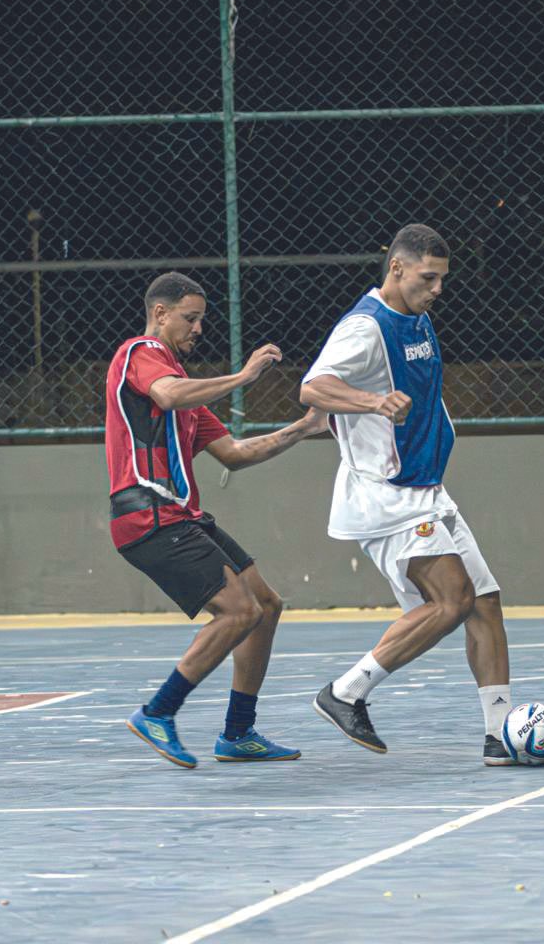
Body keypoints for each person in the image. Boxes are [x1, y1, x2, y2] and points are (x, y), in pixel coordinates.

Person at [299, 223, 544, 767]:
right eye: (429, 277)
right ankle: (346, 693)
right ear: (397, 268)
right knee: (451, 601)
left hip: (426, 490)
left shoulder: (418, 318)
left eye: (443, 278)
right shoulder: (366, 326)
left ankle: (500, 737)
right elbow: (312, 386)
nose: (438, 288)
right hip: (387, 494)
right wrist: (371, 403)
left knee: (485, 603)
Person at [111, 272, 326, 768]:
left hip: (182, 516)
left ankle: (237, 733)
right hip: (146, 514)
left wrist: (305, 427)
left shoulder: (187, 393)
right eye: (190, 318)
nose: (199, 328)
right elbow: (164, 395)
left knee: (265, 605)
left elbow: (234, 453)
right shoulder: (137, 353)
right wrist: (245, 377)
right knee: (238, 611)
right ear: (160, 314)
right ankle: (157, 713)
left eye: (202, 319)